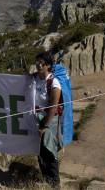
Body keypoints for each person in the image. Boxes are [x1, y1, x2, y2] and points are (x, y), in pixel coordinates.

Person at [34, 51, 63, 187]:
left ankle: (54, 183)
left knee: (49, 151)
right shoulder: (33, 78)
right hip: (35, 118)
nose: (39, 64)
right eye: (37, 61)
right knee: (39, 151)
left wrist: (44, 126)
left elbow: (53, 107)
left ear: (48, 66)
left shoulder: (54, 82)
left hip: (48, 120)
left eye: (42, 62)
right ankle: (46, 181)